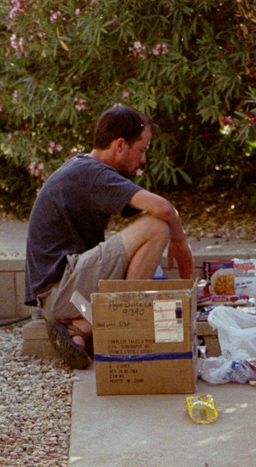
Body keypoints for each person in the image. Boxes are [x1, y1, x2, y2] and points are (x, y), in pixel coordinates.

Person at [24, 104, 195, 368]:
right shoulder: (94, 174)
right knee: (157, 227)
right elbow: (162, 208)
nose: (143, 160)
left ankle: (82, 326)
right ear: (119, 146)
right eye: (142, 149)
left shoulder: (85, 170)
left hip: (57, 293)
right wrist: (180, 243)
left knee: (146, 238)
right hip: (61, 292)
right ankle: (120, 322)